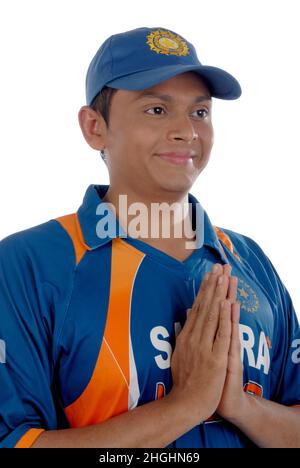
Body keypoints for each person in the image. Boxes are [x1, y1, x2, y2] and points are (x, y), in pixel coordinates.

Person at [0, 26, 299, 449]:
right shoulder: (29, 264)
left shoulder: (249, 260)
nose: (187, 132)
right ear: (94, 127)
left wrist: (241, 406)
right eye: (157, 110)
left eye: (200, 112)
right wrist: (185, 406)